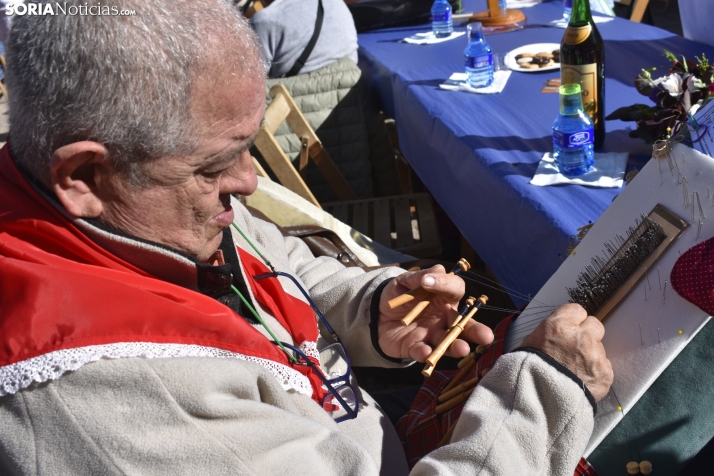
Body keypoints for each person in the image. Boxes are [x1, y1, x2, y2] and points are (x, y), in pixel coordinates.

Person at [0, 1, 612, 474]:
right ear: (83, 176)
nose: (248, 181)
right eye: (216, 165)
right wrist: (542, 397)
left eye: (247, 147)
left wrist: (373, 308)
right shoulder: (107, 399)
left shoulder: (132, 204)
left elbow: (276, 259)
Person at [249, 0, 358, 78]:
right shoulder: (338, 4)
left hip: (294, 107)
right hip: (350, 104)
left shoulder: (265, 20)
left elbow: (249, 88)